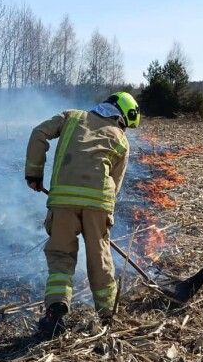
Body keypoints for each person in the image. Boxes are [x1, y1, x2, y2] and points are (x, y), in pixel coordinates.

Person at [25, 92, 140, 336]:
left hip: (63, 201)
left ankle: (55, 311)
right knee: (99, 256)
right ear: (121, 117)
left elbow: (39, 133)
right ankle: (107, 314)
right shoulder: (121, 139)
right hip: (98, 203)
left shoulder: (71, 117)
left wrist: (34, 173)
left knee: (61, 254)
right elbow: (115, 184)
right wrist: (103, 217)